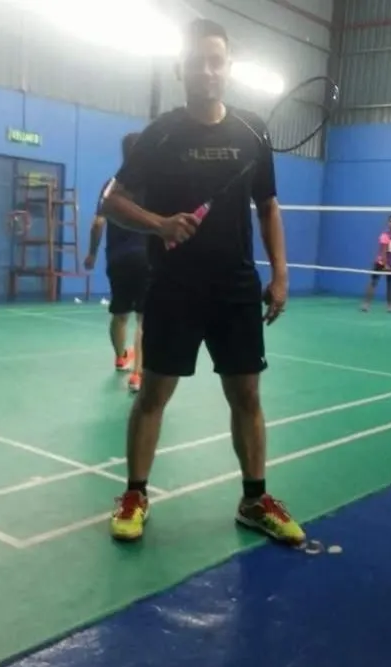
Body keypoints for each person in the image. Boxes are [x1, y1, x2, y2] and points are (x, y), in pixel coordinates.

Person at [100, 18, 305, 545]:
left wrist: (280, 273)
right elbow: (113, 201)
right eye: (198, 62)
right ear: (181, 69)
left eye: (217, 61)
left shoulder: (252, 131)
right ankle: (135, 495)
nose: (208, 71)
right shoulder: (161, 133)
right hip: (173, 285)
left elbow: (268, 206)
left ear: (228, 67)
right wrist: (159, 224)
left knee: (247, 394)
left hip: (235, 286)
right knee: (153, 394)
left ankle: (255, 500)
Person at [84, 133, 147, 393]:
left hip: (118, 259)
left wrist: (92, 254)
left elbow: (98, 223)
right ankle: (138, 375)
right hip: (146, 257)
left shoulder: (111, 185)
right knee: (144, 319)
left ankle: (121, 358)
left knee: (120, 313)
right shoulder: (154, 185)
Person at [362, 213, 391, 313]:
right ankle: (366, 304)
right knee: (373, 282)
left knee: (390, 284)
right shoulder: (385, 235)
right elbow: (383, 251)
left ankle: (390, 306)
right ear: (388, 223)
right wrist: (385, 265)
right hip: (380, 262)